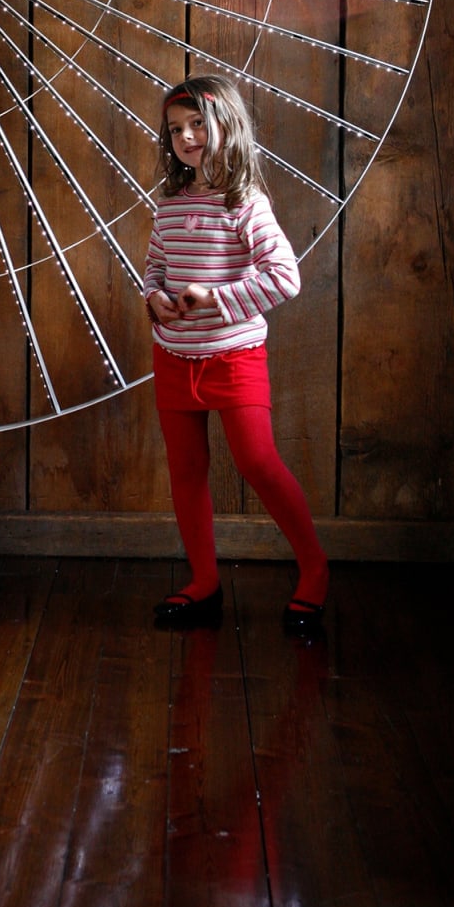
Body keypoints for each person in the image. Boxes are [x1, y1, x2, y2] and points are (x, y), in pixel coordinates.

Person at [144, 74, 329, 635]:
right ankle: (204, 582)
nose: (188, 137)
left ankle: (316, 570)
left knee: (256, 462)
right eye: (177, 129)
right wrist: (154, 298)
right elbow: (155, 266)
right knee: (186, 470)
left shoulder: (245, 202)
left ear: (229, 126)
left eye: (199, 123)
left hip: (232, 356)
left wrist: (215, 298)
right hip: (174, 357)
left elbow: (284, 278)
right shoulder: (171, 204)